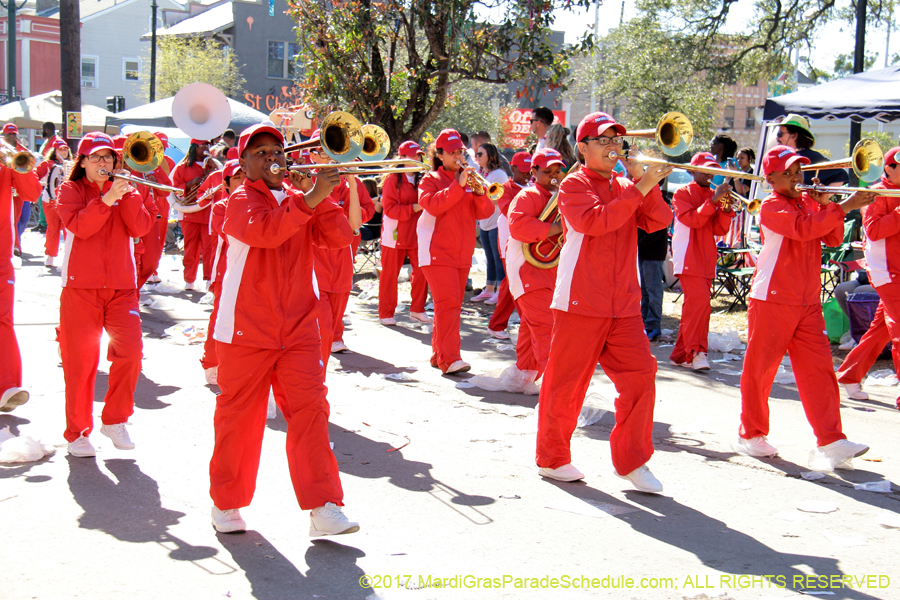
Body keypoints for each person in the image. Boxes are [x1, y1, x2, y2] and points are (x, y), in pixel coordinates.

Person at [209, 124, 359, 537]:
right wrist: (311, 198)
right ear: (242, 164)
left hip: (299, 328)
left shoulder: (301, 199)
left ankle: (324, 506)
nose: (273, 157)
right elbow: (266, 232)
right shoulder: (235, 201)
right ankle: (226, 502)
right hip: (245, 330)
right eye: (261, 153)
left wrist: (321, 197)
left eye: (277, 149)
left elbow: (338, 238)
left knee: (311, 414)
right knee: (239, 420)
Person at [535, 112, 673, 491]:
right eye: (605, 140)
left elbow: (660, 220)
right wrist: (639, 185)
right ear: (582, 147)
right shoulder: (574, 184)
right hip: (580, 300)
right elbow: (596, 222)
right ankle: (552, 458)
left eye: (618, 140)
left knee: (641, 377)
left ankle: (632, 461)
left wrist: (652, 183)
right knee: (566, 385)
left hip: (623, 303)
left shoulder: (627, 183)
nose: (614, 147)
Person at [735, 145, 873, 466]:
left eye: (799, 171)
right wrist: (843, 206)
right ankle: (750, 433)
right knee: (761, 369)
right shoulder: (770, 205)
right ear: (770, 178)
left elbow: (834, 239)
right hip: (772, 298)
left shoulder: (809, 201)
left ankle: (832, 440)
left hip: (807, 299)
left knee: (820, 371)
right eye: (789, 173)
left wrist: (829, 206)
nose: (798, 178)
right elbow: (802, 230)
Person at [56, 132, 155, 456]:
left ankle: (115, 419)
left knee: (131, 353)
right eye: (96, 157)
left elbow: (140, 228)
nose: (104, 162)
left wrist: (126, 196)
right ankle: (77, 433)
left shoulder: (126, 190)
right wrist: (108, 198)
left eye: (109, 157)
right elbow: (80, 227)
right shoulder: (69, 190)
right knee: (80, 364)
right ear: (82, 162)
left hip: (122, 287)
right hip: (79, 288)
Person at [417, 129, 494, 374]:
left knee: (448, 305)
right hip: (436, 252)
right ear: (439, 155)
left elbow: (485, 213)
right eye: (452, 152)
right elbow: (432, 205)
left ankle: (438, 353)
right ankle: (450, 359)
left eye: (461, 151)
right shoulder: (429, 180)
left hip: (461, 253)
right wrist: (457, 186)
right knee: (448, 304)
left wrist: (480, 192)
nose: (459, 156)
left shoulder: (468, 179)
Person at [836, 146, 900, 408]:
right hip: (886, 271)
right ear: (888, 168)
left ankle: (849, 375)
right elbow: (873, 231)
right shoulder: (875, 192)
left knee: (881, 331)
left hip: (895, 269)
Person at [308, 131, 375, 360]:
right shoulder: (304, 181)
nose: (330, 156)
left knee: (337, 308)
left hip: (342, 257)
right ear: (313, 154)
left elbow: (357, 222)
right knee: (322, 318)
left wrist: (353, 183)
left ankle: (334, 338)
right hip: (315, 258)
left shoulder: (347, 185)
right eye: (324, 150)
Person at [669, 152, 737, 371]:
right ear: (693, 170)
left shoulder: (712, 194)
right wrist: (714, 201)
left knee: (695, 308)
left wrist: (726, 209)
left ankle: (680, 354)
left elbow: (719, 229)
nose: (709, 174)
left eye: (712, 170)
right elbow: (692, 220)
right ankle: (698, 352)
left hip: (706, 257)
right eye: (704, 169)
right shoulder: (682, 193)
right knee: (701, 306)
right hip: (688, 255)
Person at [505, 148, 565, 379]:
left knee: (532, 328)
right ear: (534, 172)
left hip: (551, 272)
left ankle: (525, 376)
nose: (553, 176)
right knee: (547, 330)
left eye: (557, 171)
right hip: (528, 272)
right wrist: (558, 228)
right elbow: (519, 227)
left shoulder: (564, 196)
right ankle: (558, 391)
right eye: (547, 171)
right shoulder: (526, 196)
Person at [0, 130, 42, 413]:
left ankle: (7, 388)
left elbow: (32, 193)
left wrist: (19, 162)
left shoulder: (6, 166)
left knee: (3, 321)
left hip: (1, 260)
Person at [199, 160, 244, 386]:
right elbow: (231, 235)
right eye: (237, 178)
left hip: (250, 274)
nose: (244, 181)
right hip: (225, 274)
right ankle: (212, 363)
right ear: (225, 184)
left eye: (246, 175)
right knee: (219, 319)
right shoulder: (221, 207)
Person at [379, 141, 430, 326]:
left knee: (423, 271)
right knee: (390, 275)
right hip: (394, 235)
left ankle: (417, 309)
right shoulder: (392, 179)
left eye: (418, 155)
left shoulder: (423, 178)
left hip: (416, 234)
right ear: (401, 158)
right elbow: (390, 209)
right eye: (412, 156)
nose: (417, 159)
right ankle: (385, 312)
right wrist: (414, 207)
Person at [487, 151, 533, 340]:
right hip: (509, 243)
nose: (527, 175)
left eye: (530, 171)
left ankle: (497, 324)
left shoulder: (533, 185)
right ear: (512, 169)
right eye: (523, 171)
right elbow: (511, 212)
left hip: (527, 241)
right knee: (516, 282)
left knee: (510, 284)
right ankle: (529, 325)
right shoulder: (504, 188)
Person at [171, 139, 218, 290]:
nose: (206, 148)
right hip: (189, 214)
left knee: (209, 248)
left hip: (207, 213)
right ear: (193, 148)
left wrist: (213, 172)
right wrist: (190, 184)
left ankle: (209, 279)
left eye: (207, 145)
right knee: (190, 247)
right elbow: (174, 189)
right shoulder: (182, 167)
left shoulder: (212, 166)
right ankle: (189, 280)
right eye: (202, 145)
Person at [471, 143, 509, 304]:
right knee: (489, 258)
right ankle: (489, 289)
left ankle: (500, 291)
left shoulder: (499, 174)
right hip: (485, 222)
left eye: (480, 154)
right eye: (477, 155)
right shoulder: (483, 174)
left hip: (495, 222)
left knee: (497, 257)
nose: (477, 158)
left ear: (490, 156)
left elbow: (500, 197)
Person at [773, 114, 849, 187]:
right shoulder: (782, 154)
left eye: (780, 134)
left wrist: (823, 198)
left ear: (794, 135)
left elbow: (841, 175)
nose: (777, 138)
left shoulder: (811, 156)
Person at [37, 140, 71, 267]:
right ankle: (50, 256)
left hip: (68, 202)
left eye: (65, 149)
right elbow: (35, 175)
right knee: (52, 229)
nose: (63, 151)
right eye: (60, 149)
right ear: (54, 151)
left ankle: (69, 257)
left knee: (68, 230)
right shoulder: (46, 164)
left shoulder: (72, 164)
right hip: (50, 200)